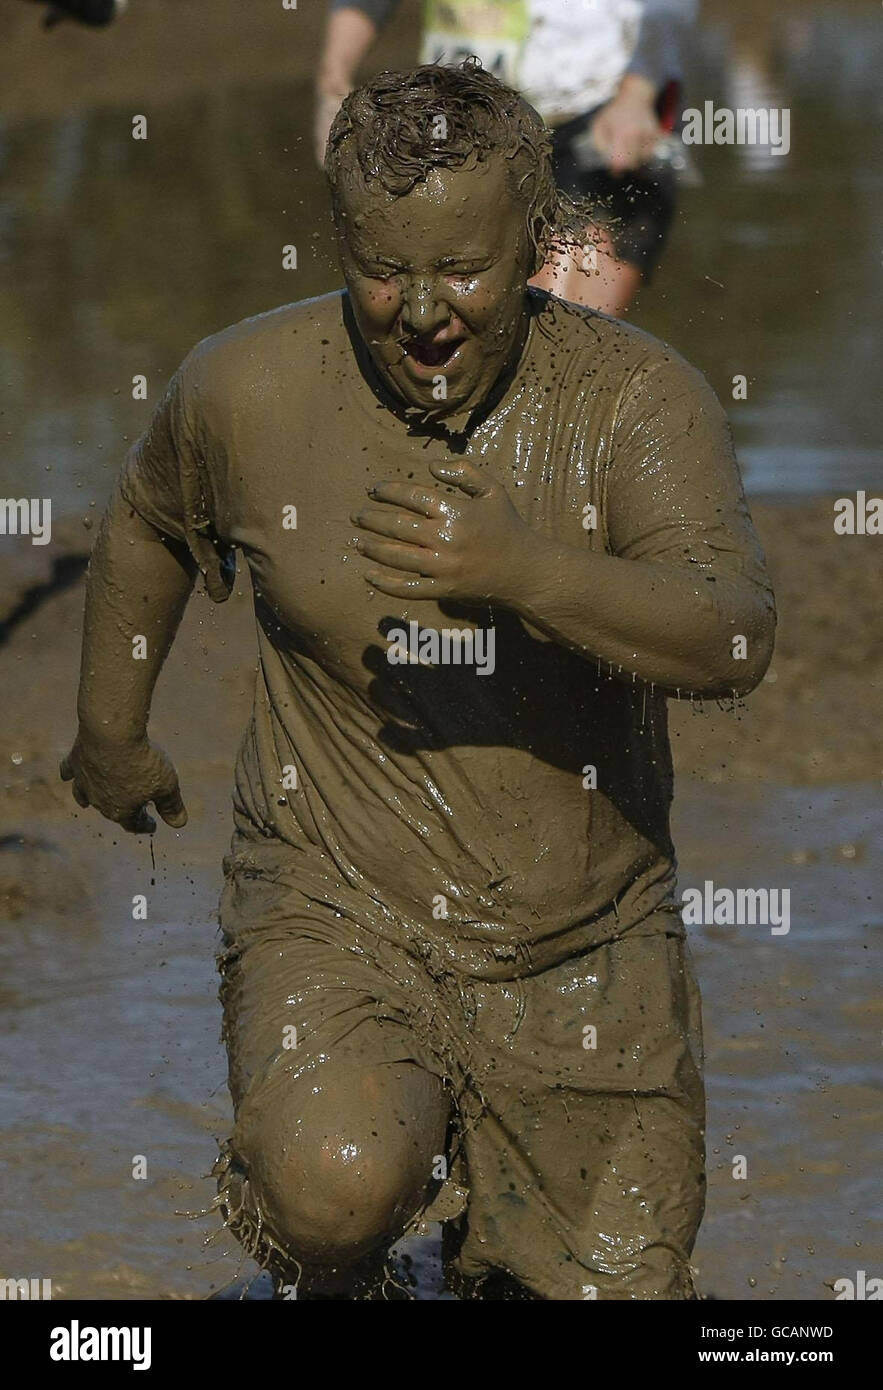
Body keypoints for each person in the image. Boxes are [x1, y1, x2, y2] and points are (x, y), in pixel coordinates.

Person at [62, 62, 775, 1300]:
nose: (425, 311)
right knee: (334, 1183)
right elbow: (145, 523)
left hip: (583, 934)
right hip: (337, 904)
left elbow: (731, 640)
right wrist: (110, 732)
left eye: (466, 271)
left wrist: (528, 570)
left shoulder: (636, 404)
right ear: (342, 240)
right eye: (386, 271)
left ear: (541, 240)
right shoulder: (246, 389)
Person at [315, 0, 697, 314]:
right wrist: (333, 81)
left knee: (558, 324)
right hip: (460, 114)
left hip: (601, 110)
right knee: (432, 301)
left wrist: (637, 93)